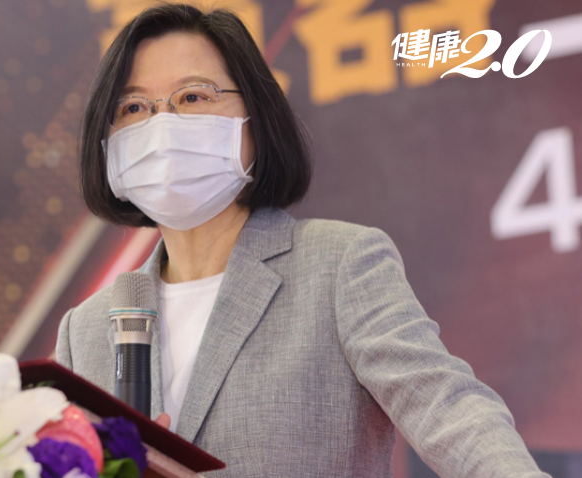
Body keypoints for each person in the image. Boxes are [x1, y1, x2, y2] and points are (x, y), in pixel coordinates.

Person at [54, 4, 548, 477]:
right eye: (134, 107)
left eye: (193, 97)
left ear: (255, 119)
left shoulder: (338, 267)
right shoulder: (85, 331)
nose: (161, 124)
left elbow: (445, 405)